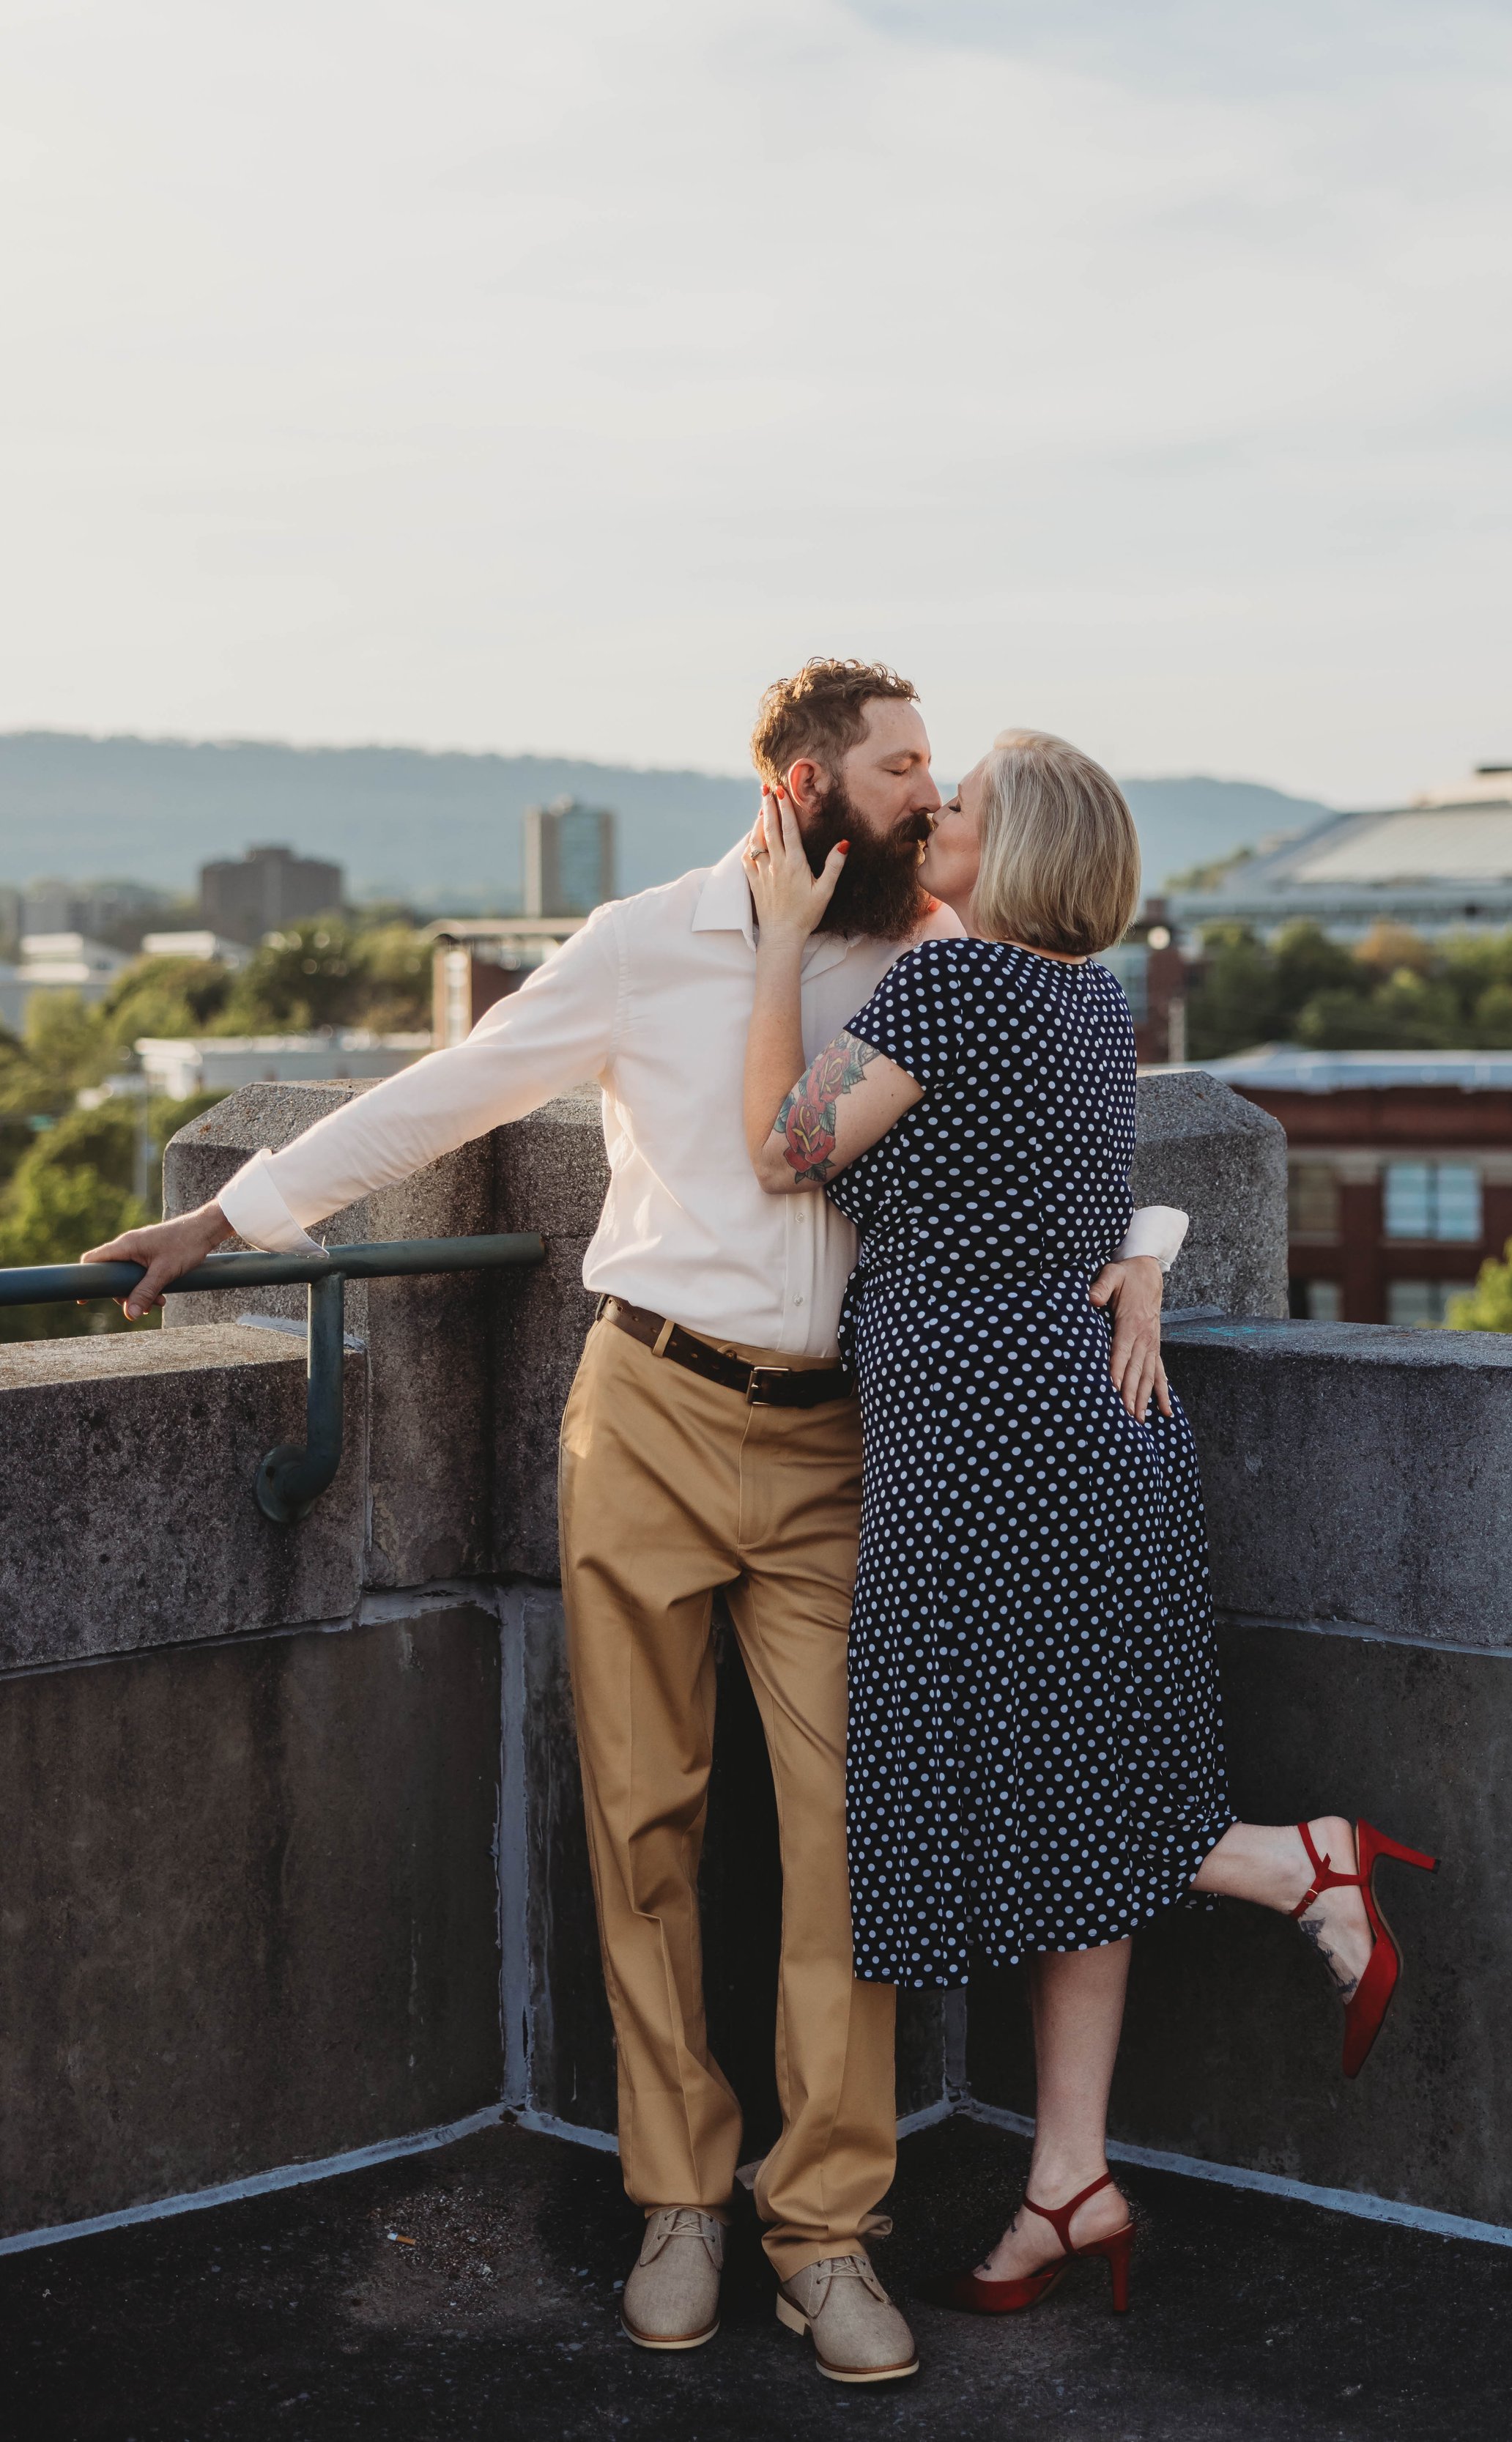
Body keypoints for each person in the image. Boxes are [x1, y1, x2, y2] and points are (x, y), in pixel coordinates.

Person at [84, 662, 1187, 2386]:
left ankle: (825, 2227)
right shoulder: (642, 938)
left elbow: (1057, 1121)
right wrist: (228, 1213)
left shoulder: (951, 956)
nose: (927, 795)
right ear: (801, 782)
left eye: (937, 774)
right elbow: (453, 1089)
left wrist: (1145, 1251)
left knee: (848, 1837)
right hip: (651, 1407)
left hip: (846, 1447)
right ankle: (679, 2198)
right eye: (900, 769)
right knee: (641, 1817)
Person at [741, 730, 1437, 2318]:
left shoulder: (947, 988)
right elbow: (1042, 1173)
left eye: (964, 804)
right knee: (1084, 1783)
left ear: (1019, 842)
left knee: (1053, 1787)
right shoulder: (1081, 996)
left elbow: (787, 1144)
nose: (938, 815)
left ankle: (1291, 1862)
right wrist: (1149, 1247)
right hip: (1085, 1416)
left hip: (992, 1438)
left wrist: (783, 943)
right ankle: (1068, 2173)